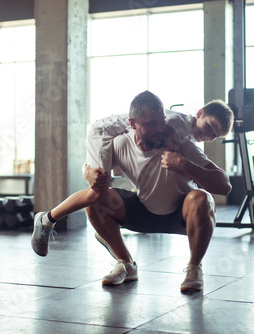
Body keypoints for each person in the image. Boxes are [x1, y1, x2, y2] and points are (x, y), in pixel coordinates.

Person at [31, 94, 234, 260]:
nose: (209, 136)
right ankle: (47, 219)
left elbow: (221, 184)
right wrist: (86, 171)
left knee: (101, 189)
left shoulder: (183, 138)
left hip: (169, 209)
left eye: (215, 136)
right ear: (199, 113)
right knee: (96, 193)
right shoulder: (173, 126)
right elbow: (155, 149)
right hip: (100, 133)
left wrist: (183, 166)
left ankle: (188, 267)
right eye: (209, 127)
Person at [83, 90, 232, 292]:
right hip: (142, 210)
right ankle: (125, 264)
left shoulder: (180, 143)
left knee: (202, 198)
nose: (159, 129)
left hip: (180, 215)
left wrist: (185, 165)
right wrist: (87, 172)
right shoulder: (121, 143)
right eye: (151, 124)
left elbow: (225, 185)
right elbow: (97, 169)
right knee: (94, 200)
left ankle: (194, 268)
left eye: (161, 123)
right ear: (134, 124)